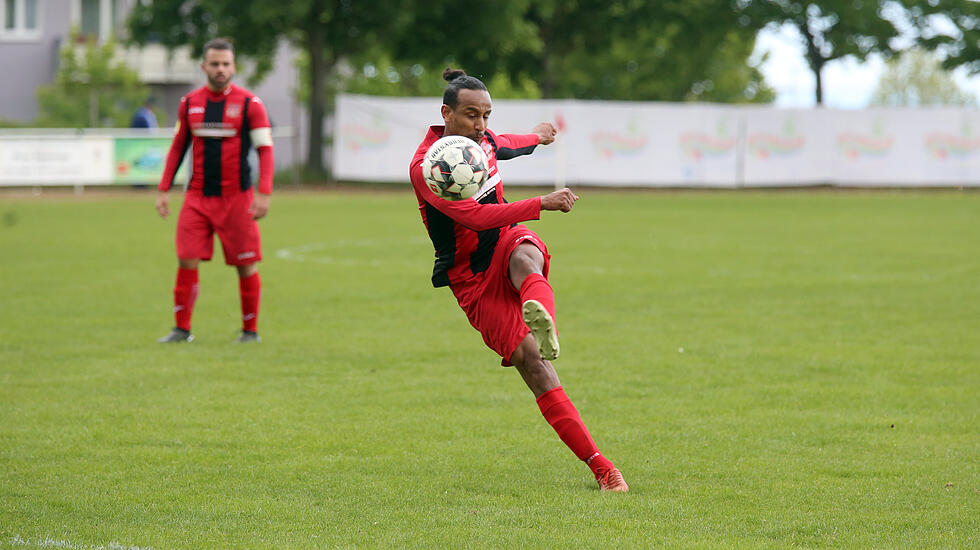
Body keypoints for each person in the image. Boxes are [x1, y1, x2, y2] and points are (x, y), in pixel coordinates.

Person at [408, 68, 628, 492]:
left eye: (487, 115)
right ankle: (601, 466)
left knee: (527, 257)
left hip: (505, 243)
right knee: (535, 367)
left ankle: (545, 319)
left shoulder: (483, 140)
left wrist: (539, 135)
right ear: (446, 113)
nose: (481, 126)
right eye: (472, 115)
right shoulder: (428, 166)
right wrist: (540, 203)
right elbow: (473, 215)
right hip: (470, 277)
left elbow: (508, 144)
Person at [155, 38, 275, 344]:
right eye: (215, 64)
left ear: (234, 67)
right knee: (186, 259)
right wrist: (163, 188)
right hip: (196, 198)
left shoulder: (251, 104)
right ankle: (181, 329)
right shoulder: (189, 103)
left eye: (226, 64)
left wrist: (264, 192)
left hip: (237, 199)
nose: (220, 69)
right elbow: (178, 148)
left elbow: (265, 150)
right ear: (204, 66)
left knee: (246, 264)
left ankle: (250, 332)